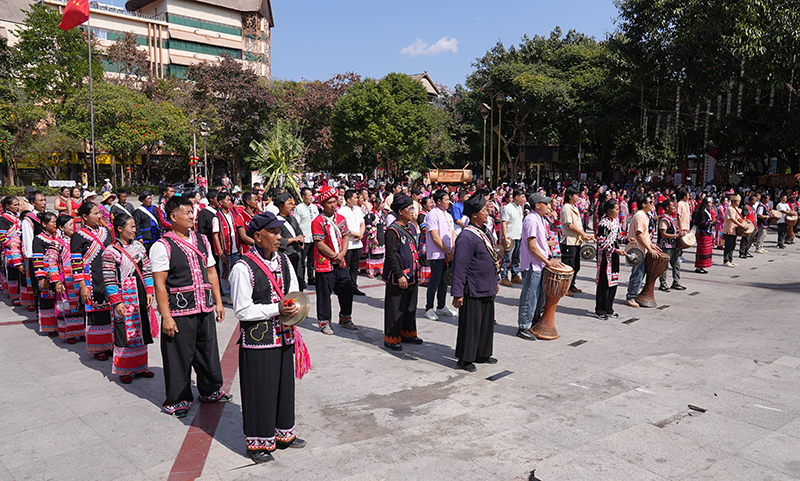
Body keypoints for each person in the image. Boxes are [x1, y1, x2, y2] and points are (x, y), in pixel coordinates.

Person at [229, 212, 309, 463]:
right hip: (258, 341)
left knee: (284, 387)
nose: (279, 237)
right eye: (273, 232)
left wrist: (295, 307)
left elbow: (293, 292)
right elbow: (241, 310)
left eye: (279, 231)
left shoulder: (284, 260)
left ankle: (283, 433)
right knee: (260, 390)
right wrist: (277, 309)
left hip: (284, 336)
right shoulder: (243, 267)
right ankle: (257, 443)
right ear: (257, 236)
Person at [151, 195, 231, 418]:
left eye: (192, 211)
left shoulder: (202, 240)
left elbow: (212, 271)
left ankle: (210, 389)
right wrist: (165, 316)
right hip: (179, 310)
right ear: (173, 216)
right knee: (179, 355)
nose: (191, 216)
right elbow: (159, 284)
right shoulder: (162, 246)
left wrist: (218, 301)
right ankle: (178, 399)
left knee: (207, 351)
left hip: (203, 307)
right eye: (186, 212)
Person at [103, 214, 156, 384]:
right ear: (120, 229)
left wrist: (149, 291)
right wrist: (116, 301)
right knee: (123, 331)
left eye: (135, 227)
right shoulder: (111, 252)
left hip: (140, 294)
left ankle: (141, 366)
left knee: (141, 331)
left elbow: (147, 269)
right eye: (131, 227)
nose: (134, 230)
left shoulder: (139, 248)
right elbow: (109, 278)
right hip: (124, 296)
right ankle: (124, 368)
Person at [451, 194, 501, 372]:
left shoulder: (485, 231)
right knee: (471, 324)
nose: (487, 213)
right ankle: (465, 358)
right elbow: (460, 267)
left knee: (486, 323)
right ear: (474, 215)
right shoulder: (467, 236)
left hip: (487, 284)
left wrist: (495, 280)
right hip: (472, 287)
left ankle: (482, 353)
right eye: (483, 211)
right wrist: (457, 293)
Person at [517, 192, 565, 340]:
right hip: (533, 264)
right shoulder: (531, 219)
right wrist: (548, 261)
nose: (549, 206)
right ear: (537, 205)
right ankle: (523, 326)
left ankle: (534, 322)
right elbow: (532, 247)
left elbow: (543, 243)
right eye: (546, 203)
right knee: (529, 296)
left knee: (538, 296)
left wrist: (550, 258)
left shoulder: (540, 219)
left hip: (540, 263)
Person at [311, 186, 357, 335]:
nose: (333, 205)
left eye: (334, 201)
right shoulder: (317, 221)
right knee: (324, 294)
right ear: (323, 204)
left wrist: (342, 253)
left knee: (347, 289)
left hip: (340, 261)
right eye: (329, 202)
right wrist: (335, 256)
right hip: (325, 262)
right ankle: (324, 322)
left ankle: (345, 317)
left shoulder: (341, 219)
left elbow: (345, 236)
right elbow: (319, 243)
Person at [72, 202, 114, 359]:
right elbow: (76, 263)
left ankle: (110, 343)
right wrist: (82, 285)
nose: (99, 216)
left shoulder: (105, 232)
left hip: (108, 278)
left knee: (109, 312)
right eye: (95, 213)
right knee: (96, 315)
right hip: (91, 279)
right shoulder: (78, 236)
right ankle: (98, 348)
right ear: (84, 217)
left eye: (99, 213)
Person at [382, 194, 422, 351]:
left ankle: (408, 333)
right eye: (409, 209)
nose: (412, 211)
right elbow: (391, 255)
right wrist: (399, 274)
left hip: (412, 274)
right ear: (400, 211)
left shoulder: (411, 226)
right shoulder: (392, 230)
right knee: (396, 307)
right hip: (399, 276)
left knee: (410, 306)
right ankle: (391, 337)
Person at [45, 215, 84, 344]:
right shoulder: (56, 243)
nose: (74, 227)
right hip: (65, 280)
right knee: (67, 306)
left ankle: (82, 331)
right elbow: (51, 262)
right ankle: (70, 332)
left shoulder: (79, 240)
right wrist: (56, 280)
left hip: (79, 278)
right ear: (61, 227)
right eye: (70, 224)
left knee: (81, 304)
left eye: (74, 223)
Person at [424, 190, 457, 321]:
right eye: (446, 199)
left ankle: (441, 306)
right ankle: (429, 307)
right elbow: (435, 237)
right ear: (438, 201)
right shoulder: (432, 214)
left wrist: (453, 249)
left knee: (444, 281)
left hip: (448, 253)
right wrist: (446, 251)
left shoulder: (448, 215)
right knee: (434, 282)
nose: (449, 202)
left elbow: (453, 232)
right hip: (437, 254)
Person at [625, 194, 662, 308]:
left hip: (641, 249)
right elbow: (639, 236)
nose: (652, 204)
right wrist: (650, 249)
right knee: (638, 274)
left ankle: (633, 295)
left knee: (639, 273)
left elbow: (645, 235)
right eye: (650, 202)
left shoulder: (644, 215)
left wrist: (651, 245)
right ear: (643, 204)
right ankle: (631, 297)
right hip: (636, 250)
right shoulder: (640, 216)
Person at [595, 199, 626, 319]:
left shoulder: (615, 222)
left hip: (614, 256)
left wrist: (626, 240)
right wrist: (614, 250)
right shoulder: (603, 224)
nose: (618, 212)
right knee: (604, 283)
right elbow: (601, 242)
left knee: (613, 282)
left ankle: (609, 308)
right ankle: (600, 310)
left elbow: (617, 238)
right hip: (605, 258)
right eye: (616, 209)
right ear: (609, 210)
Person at [560, 186, 591, 295]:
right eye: (576, 195)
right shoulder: (566, 208)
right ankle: (564, 288)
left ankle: (571, 285)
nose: (578, 197)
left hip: (576, 241)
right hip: (569, 241)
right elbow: (570, 225)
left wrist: (583, 235)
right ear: (570, 196)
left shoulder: (574, 207)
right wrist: (583, 233)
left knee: (575, 266)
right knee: (568, 266)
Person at [32, 212, 58, 336]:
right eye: (53, 222)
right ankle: (50, 326)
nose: (55, 225)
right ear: (44, 224)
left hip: (58, 273)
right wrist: (41, 277)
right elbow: (37, 260)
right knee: (48, 299)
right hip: (47, 273)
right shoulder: (39, 239)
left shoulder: (58, 237)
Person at [22, 190, 47, 312]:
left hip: (50, 257)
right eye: (40, 200)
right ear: (33, 203)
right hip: (37, 257)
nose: (44, 203)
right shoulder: (28, 220)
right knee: (38, 286)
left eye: (44, 200)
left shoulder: (48, 216)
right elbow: (28, 240)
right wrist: (32, 258)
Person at [213, 191, 239, 304]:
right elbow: (215, 235)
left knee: (235, 272)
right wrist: (220, 252)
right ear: (220, 202)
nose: (229, 202)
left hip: (235, 248)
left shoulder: (232, 214)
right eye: (227, 200)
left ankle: (235, 293)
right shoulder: (217, 217)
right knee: (225, 272)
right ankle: (227, 294)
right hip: (225, 249)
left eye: (230, 200)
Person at [275, 193, 305, 290]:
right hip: (285, 256)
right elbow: (277, 240)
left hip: (297, 254)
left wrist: (301, 241)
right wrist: (294, 239)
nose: (292, 206)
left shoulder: (292, 219)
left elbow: (299, 232)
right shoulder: (276, 221)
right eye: (289, 204)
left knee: (299, 281)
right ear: (281, 206)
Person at [339, 190, 366, 296]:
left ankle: (354, 286)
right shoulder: (341, 211)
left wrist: (361, 234)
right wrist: (356, 234)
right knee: (347, 266)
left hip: (357, 243)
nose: (357, 199)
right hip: (348, 243)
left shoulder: (358, 210)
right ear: (349, 199)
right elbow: (344, 228)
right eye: (355, 197)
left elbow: (362, 223)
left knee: (355, 267)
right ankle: (344, 286)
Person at [499, 189, 525, 287]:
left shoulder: (519, 208)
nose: (523, 199)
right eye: (522, 197)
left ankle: (514, 275)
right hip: (510, 237)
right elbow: (504, 223)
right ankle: (504, 277)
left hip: (518, 236)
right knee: (506, 259)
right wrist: (505, 238)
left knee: (516, 258)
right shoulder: (507, 208)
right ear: (516, 197)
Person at [657, 199, 684, 291]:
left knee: (676, 264)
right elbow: (663, 234)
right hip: (666, 246)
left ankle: (676, 282)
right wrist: (676, 235)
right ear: (667, 208)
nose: (674, 207)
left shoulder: (671, 218)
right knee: (665, 265)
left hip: (673, 245)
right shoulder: (664, 220)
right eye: (673, 206)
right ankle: (663, 284)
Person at [294, 187, 318, 287]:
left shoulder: (314, 207)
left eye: (311, 195)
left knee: (312, 261)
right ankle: (302, 279)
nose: (311, 197)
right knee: (302, 260)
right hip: (304, 238)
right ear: (303, 197)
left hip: (313, 237)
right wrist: (299, 239)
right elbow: (296, 224)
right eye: (309, 195)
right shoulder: (298, 208)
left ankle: (311, 277)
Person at [722, 195, 745, 267]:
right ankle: (726, 260)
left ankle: (730, 260)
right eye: (737, 201)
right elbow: (732, 219)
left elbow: (738, 218)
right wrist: (741, 225)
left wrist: (744, 221)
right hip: (729, 230)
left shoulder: (735, 209)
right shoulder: (730, 209)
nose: (738, 203)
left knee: (733, 246)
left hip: (734, 230)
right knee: (728, 246)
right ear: (733, 201)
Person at [235, 191, 260, 255]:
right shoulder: (240, 216)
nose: (257, 202)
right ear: (248, 202)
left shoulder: (257, 215)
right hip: (247, 250)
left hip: (259, 249)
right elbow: (243, 236)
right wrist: (258, 243)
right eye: (255, 200)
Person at [694, 196, 714, 274]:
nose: (711, 204)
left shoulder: (707, 211)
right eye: (710, 203)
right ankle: (699, 267)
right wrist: (711, 223)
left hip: (707, 233)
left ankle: (703, 266)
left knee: (706, 251)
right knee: (702, 250)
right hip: (703, 233)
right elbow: (702, 223)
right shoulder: (702, 212)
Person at [739, 194, 758, 259]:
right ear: (750, 200)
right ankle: (742, 252)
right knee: (745, 239)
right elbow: (743, 217)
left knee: (751, 239)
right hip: (748, 226)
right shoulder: (746, 207)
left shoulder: (753, 208)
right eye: (754, 200)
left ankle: (746, 251)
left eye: (756, 200)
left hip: (753, 226)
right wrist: (747, 221)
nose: (755, 201)